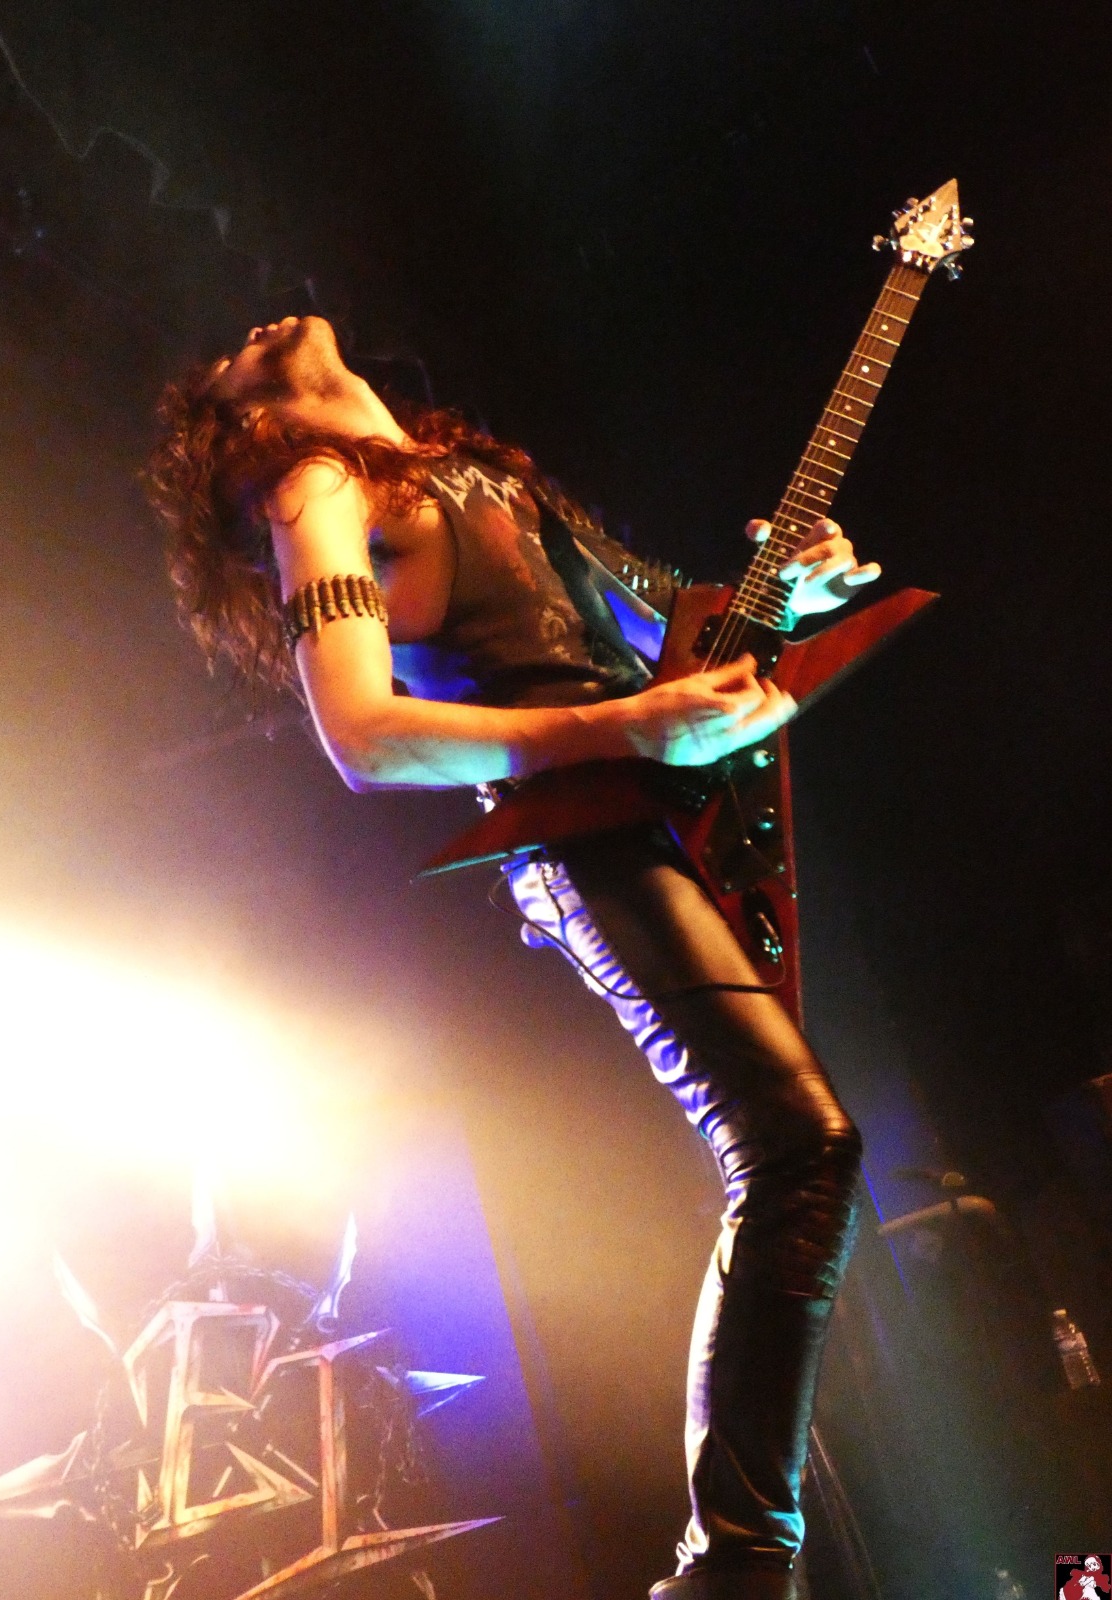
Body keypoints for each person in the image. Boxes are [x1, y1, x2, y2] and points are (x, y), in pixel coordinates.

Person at [146, 314, 883, 1600]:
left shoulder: (469, 467)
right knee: (797, 1149)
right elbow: (363, 735)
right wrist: (634, 726)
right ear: (244, 424)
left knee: (800, 1154)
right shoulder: (315, 489)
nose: (254, 324)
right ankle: (730, 1566)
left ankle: (737, 1562)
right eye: (231, 358)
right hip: (578, 833)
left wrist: (791, 598)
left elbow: (654, 626)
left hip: (656, 814)